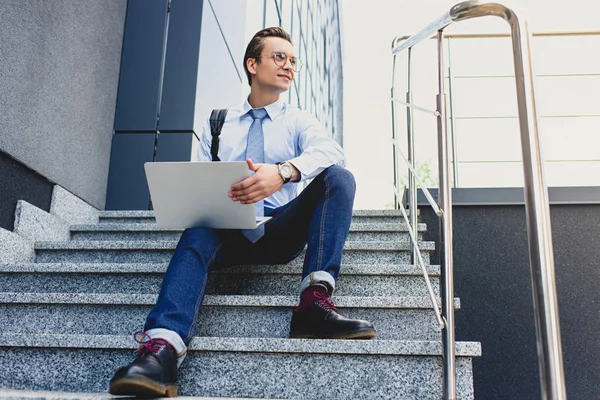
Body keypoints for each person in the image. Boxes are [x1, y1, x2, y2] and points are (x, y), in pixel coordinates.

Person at [109, 26, 375, 398]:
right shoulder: (218, 123)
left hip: (280, 229)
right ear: (253, 64)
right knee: (196, 235)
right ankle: (162, 351)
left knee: (339, 178)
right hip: (227, 231)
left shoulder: (298, 120)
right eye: (279, 57)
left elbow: (332, 152)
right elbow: (198, 181)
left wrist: (281, 174)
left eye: (293, 60)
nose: (289, 66)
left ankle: (313, 303)